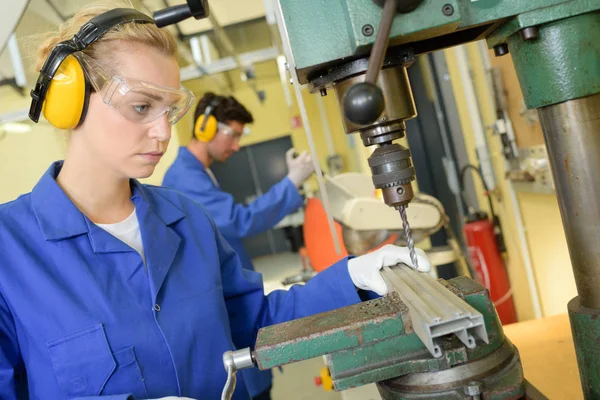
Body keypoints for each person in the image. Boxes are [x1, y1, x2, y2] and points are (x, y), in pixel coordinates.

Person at [0, 3, 431, 400]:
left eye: (169, 111)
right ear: (68, 100)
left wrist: (352, 277)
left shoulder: (186, 218)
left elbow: (252, 320)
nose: (164, 132)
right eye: (141, 106)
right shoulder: (9, 251)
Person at [162, 93, 316, 399]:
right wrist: (290, 183)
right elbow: (239, 220)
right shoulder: (184, 177)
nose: (236, 145)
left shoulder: (200, 173)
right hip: (223, 305)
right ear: (205, 127)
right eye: (232, 135)